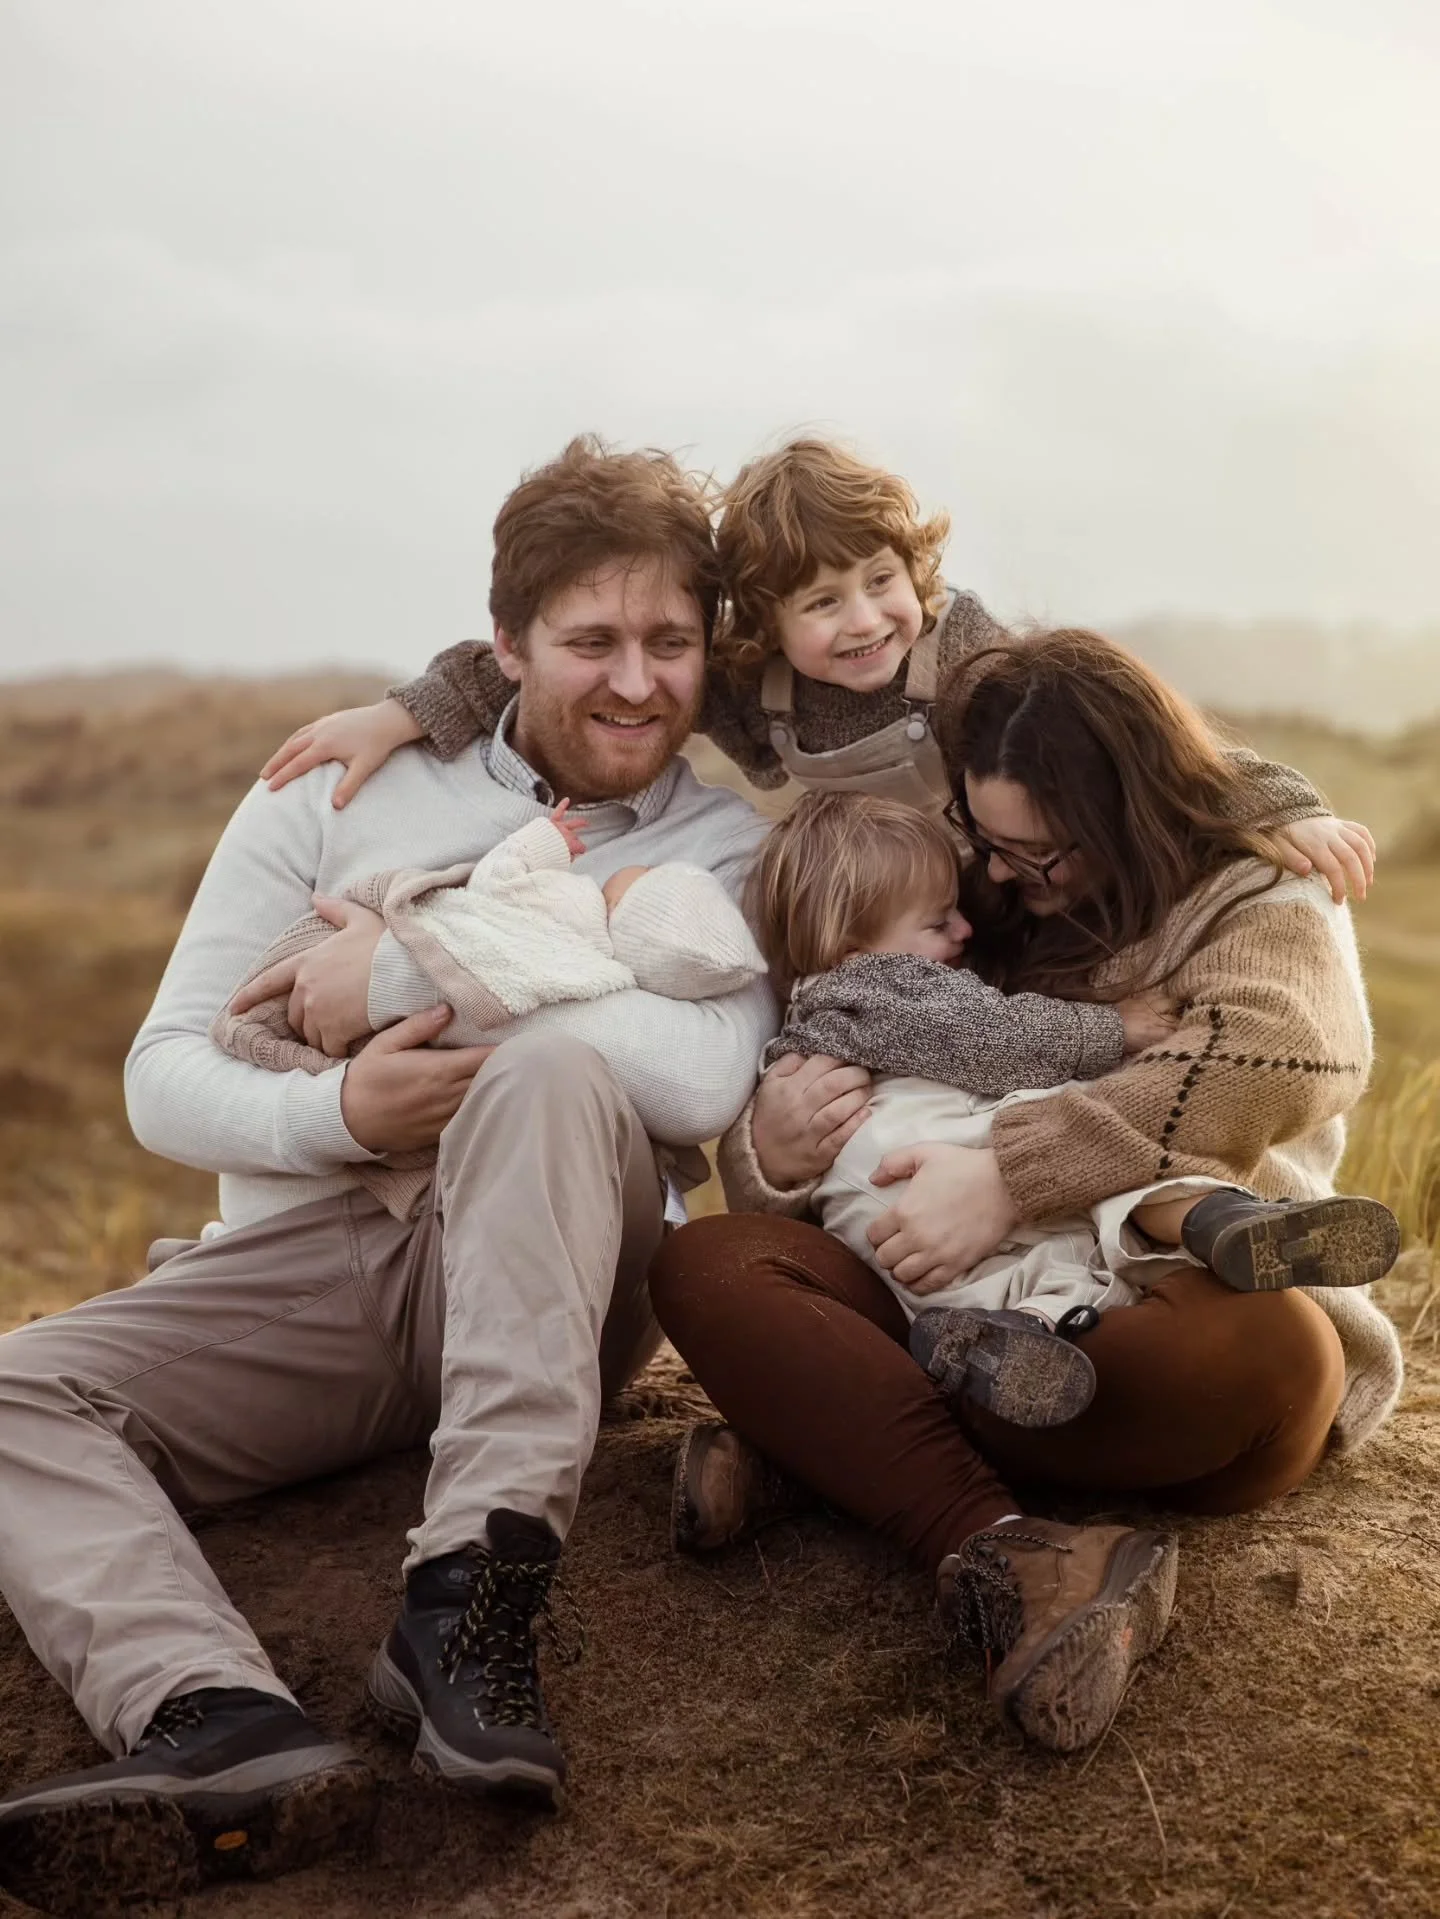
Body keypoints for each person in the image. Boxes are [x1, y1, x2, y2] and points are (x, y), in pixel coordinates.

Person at [0, 437, 776, 1917]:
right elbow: (162, 1079)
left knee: (562, 1073)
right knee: (17, 1389)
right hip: (333, 1264)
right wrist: (345, 1107)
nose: (636, 681)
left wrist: (410, 965)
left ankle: (466, 1607)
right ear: (504, 646)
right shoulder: (339, 786)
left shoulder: (719, 838)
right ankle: (217, 1721)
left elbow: (699, 1077)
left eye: (670, 642)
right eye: (592, 641)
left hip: (558, 1260)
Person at [649, 628, 1404, 1759]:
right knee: (709, 1267)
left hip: (1159, 1327)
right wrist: (779, 1145)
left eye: (1037, 853)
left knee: (1278, 1346)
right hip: (952, 1311)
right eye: (986, 843)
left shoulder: (1263, 895)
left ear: (1128, 811)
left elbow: (1279, 1053)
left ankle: (839, 1439)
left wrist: (1011, 1171)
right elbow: (866, 1049)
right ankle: (1006, 1541)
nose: (999, 880)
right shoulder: (994, 894)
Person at [255, 437, 1376, 909]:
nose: (863, 621)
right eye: (820, 601)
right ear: (761, 620)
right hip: (880, 912)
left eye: (880, 579)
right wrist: (403, 713)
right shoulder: (748, 688)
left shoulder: (969, 652)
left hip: (1009, 889)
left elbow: (1137, 733)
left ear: (917, 570)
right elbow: (562, 664)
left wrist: (1274, 801)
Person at [747, 788, 1399, 1427]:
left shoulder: (834, 998)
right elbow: (993, 1038)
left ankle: (1039, 1325)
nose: (965, 927)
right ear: (853, 952)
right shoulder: (870, 989)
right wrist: (1116, 1028)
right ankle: (1213, 1219)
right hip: (908, 1182)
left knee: (1046, 1252)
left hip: (915, 1179)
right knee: (1095, 1149)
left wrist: (1272, 804)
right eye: (938, 922)